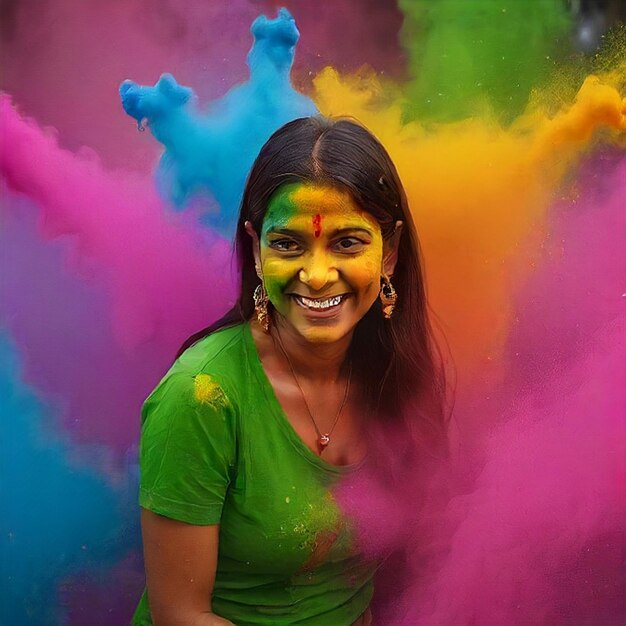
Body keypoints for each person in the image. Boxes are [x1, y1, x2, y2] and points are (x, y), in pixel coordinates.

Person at [131, 116, 448, 626]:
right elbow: (180, 616)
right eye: (287, 244)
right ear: (256, 250)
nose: (317, 276)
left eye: (347, 242)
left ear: (389, 252)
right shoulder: (201, 397)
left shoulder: (397, 374)